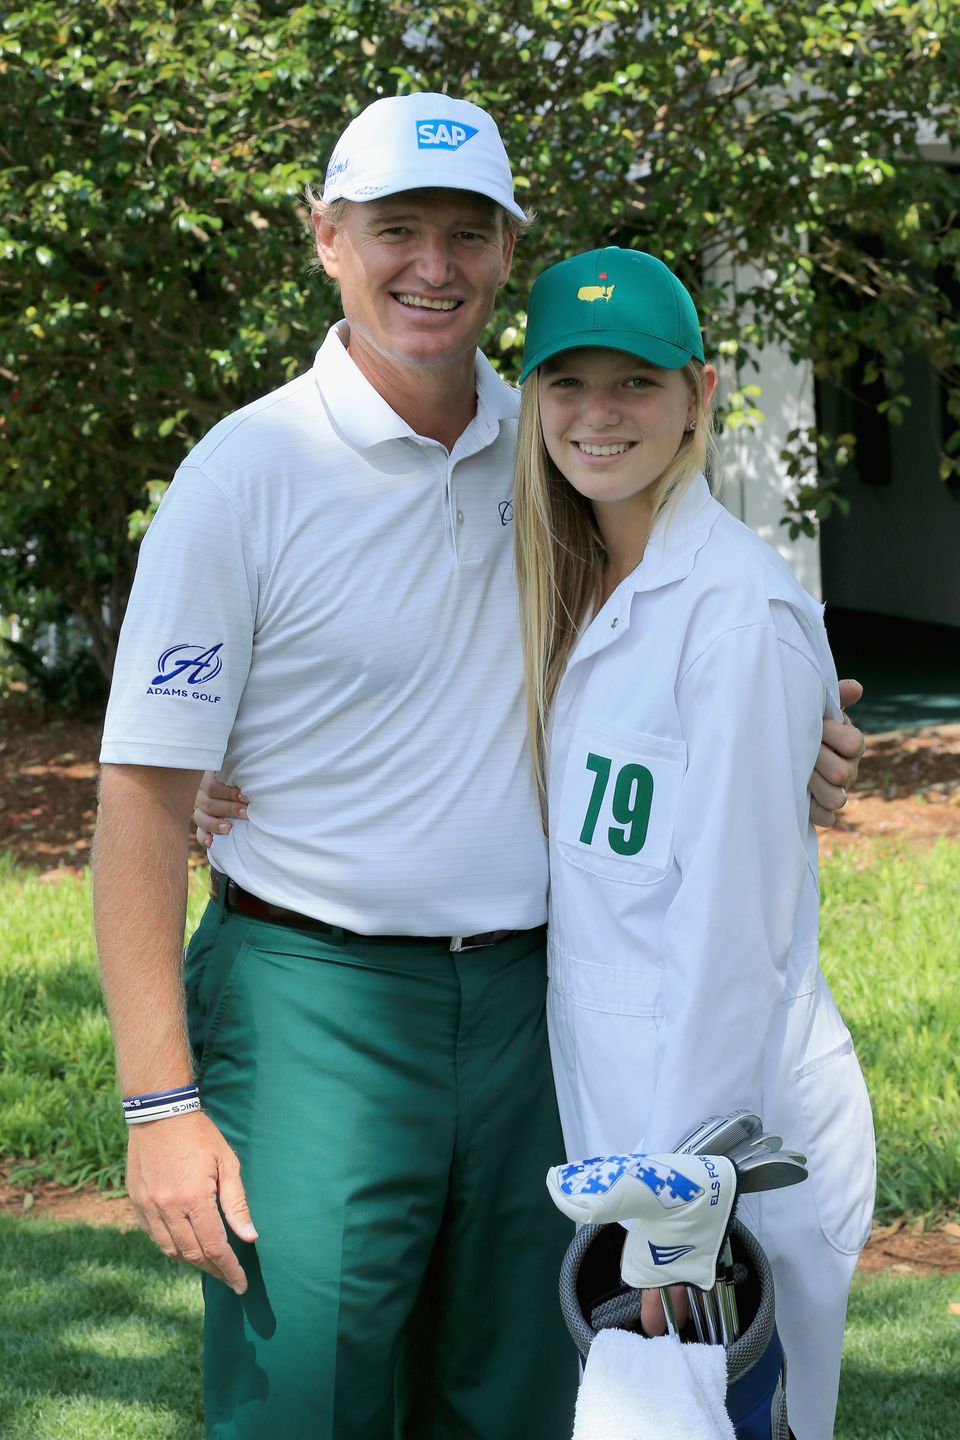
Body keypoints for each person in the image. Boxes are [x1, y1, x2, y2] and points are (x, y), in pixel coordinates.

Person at [94, 91, 864, 1439]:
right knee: (306, 1400)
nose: (432, 264)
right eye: (397, 228)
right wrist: (159, 1102)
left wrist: (795, 728)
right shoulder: (245, 474)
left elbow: (673, 658)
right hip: (313, 994)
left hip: (533, 1001)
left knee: (523, 1390)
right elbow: (146, 789)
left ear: (510, 251)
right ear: (326, 237)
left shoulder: (559, 447)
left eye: (466, 231)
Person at [511, 245, 876, 1438]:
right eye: (568, 383)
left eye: (638, 383)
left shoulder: (737, 618)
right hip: (631, 1140)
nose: (598, 415)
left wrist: (679, 1219)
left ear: (701, 395)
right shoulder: (572, 580)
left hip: (731, 1159)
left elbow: (734, 939)